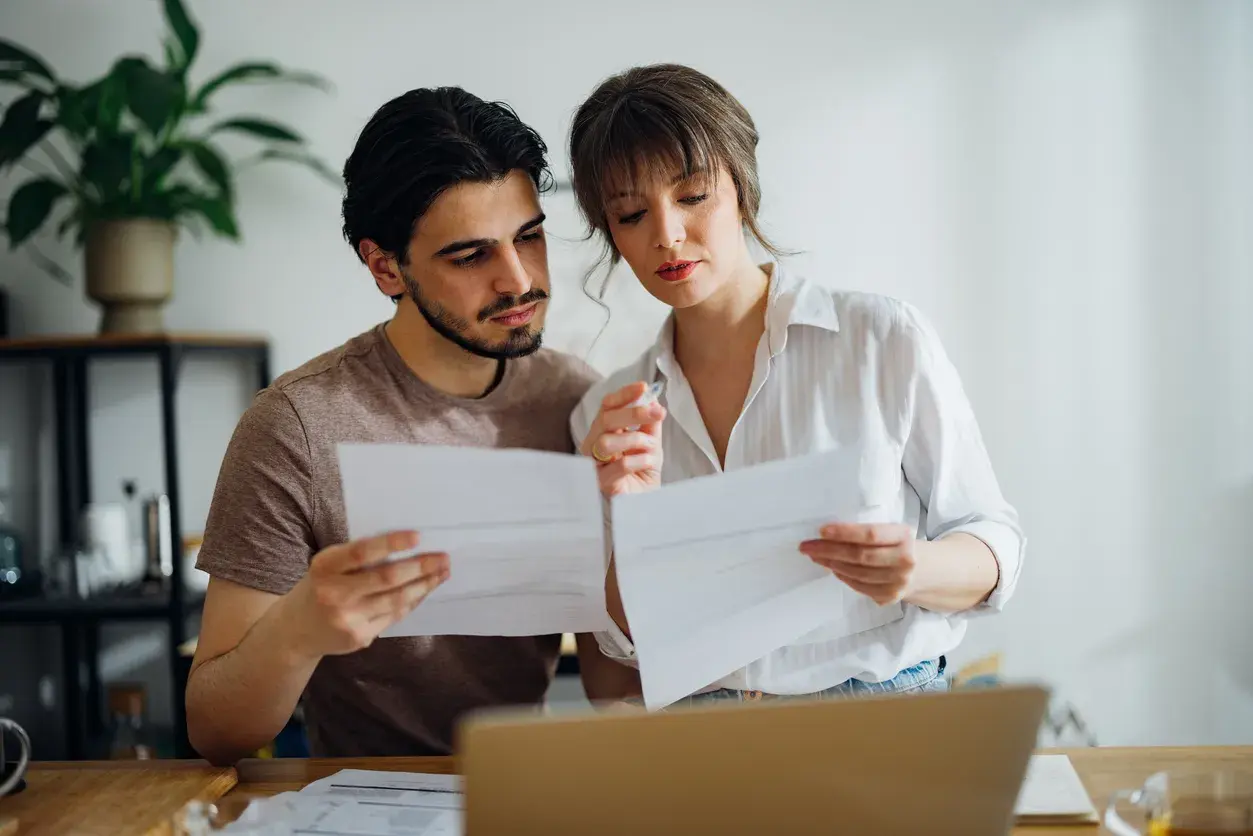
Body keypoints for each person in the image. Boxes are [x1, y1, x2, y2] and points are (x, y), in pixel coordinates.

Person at [187, 86, 636, 765]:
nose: (519, 281)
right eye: (470, 257)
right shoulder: (296, 426)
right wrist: (301, 629)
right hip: (356, 802)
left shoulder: (574, 399)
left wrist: (629, 537)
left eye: (529, 237)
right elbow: (216, 730)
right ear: (384, 267)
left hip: (521, 792)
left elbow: (613, 693)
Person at [568, 63, 1024, 706]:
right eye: (631, 213)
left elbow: (992, 538)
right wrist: (626, 521)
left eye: (693, 196)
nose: (666, 234)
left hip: (882, 713)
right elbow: (620, 647)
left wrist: (914, 570)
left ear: (742, 187)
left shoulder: (879, 338)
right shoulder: (609, 411)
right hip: (704, 736)